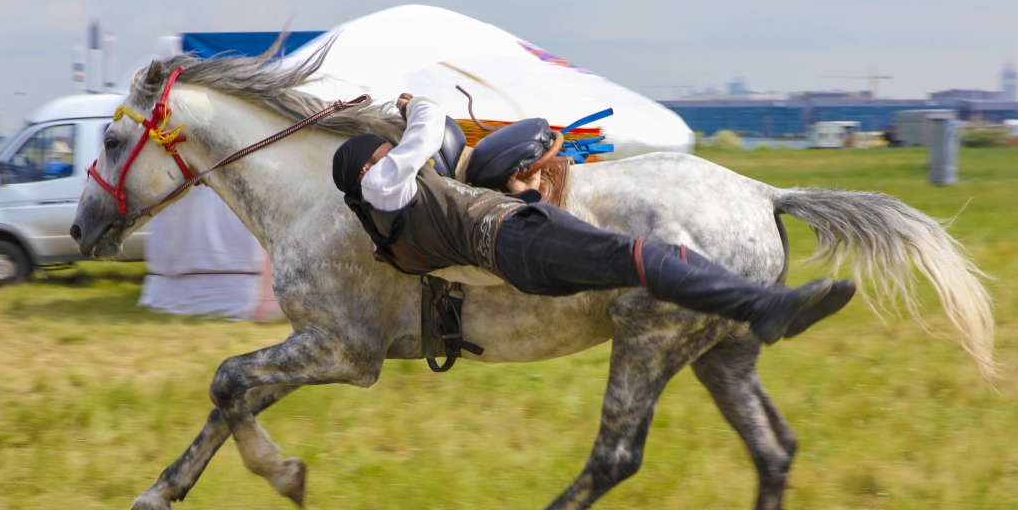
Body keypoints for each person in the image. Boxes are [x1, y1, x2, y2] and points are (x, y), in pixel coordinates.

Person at [332, 95, 855, 344]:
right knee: (645, 257)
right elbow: (425, 132)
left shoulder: (392, 226)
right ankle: (763, 307)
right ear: (368, 166)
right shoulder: (381, 188)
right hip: (516, 240)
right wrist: (414, 104)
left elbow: (463, 244)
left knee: (648, 262)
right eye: (385, 150)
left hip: (519, 241)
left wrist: (524, 197)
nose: (397, 153)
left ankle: (762, 306)